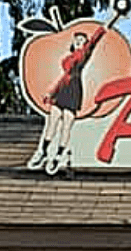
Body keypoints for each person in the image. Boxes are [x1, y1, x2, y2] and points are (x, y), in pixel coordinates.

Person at [28, 26, 108, 175]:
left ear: (85, 43)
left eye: (82, 40)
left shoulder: (84, 54)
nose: (78, 42)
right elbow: (63, 77)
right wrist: (51, 92)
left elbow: (94, 41)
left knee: (66, 125)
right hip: (63, 89)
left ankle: (58, 155)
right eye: (76, 40)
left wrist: (106, 25)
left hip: (74, 90)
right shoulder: (67, 58)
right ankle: (43, 151)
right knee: (52, 123)